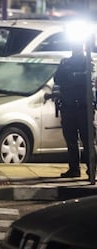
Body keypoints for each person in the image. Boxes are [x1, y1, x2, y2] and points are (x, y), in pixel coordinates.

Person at [53, 42, 95, 178]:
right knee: (71, 140)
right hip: (68, 106)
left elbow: (86, 78)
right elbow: (57, 78)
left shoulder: (88, 61)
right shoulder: (65, 62)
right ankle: (74, 169)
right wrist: (72, 76)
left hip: (83, 108)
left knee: (87, 140)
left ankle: (92, 169)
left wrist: (71, 76)